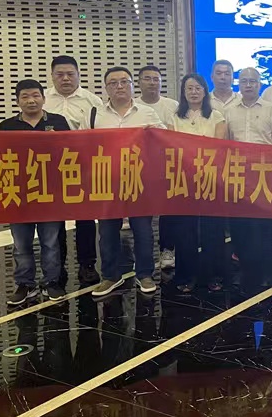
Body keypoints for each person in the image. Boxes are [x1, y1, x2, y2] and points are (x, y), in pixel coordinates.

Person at [80, 66, 165, 298]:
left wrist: (154, 134)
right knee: (107, 232)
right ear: (106, 88)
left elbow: (165, 141)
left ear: (131, 85)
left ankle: (144, 274)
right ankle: (110, 276)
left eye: (124, 82)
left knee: (143, 230)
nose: (119, 86)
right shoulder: (94, 114)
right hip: (106, 182)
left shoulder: (147, 113)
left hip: (139, 180)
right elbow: (81, 144)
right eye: (113, 83)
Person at [0, 80, 71, 306]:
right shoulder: (7, 126)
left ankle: (51, 282)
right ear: (17, 101)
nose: (31, 100)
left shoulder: (58, 122)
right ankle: (25, 284)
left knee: (51, 243)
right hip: (18, 194)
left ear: (43, 98)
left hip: (50, 193)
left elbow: (71, 151)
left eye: (35, 95)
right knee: (21, 244)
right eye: (25, 96)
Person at [224, 68, 272, 288]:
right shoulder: (229, 111)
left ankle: (267, 270)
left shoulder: (271, 109)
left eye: (252, 81)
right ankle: (245, 268)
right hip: (240, 174)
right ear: (238, 84)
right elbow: (224, 144)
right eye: (244, 81)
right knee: (241, 225)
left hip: (265, 173)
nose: (248, 85)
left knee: (265, 224)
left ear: (259, 84)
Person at [45, 55, 103, 284]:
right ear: (52, 76)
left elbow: (100, 133)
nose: (66, 79)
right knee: (54, 221)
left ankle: (87, 265)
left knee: (85, 219)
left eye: (70, 74)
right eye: (60, 74)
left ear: (78, 75)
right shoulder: (43, 99)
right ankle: (57, 267)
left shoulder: (92, 101)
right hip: (51, 169)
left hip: (83, 167)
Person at [169, 73, 227, 294]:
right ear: (183, 92)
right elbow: (171, 147)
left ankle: (214, 276)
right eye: (189, 88)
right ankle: (187, 276)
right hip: (184, 181)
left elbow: (219, 147)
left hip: (211, 180)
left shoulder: (216, 117)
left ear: (205, 91)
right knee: (185, 231)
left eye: (198, 88)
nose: (194, 92)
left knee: (213, 230)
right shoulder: (175, 118)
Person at [134, 65, 178, 272]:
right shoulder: (133, 106)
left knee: (167, 210)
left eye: (156, 79)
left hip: (166, 165)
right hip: (140, 167)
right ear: (139, 82)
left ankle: (167, 250)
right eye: (147, 78)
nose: (152, 82)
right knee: (142, 217)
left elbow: (176, 134)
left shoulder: (172, 105)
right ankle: (143, 257)